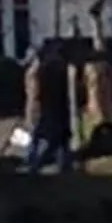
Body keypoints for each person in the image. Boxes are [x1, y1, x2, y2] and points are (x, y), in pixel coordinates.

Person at [23, 38, 76, 172]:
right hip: (47, 108)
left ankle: (38, 161)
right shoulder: (45, 69)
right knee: (48, 137)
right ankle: (37, 162)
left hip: (48, 107)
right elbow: (36, 90)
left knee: (42, 136)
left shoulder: (44, 69)